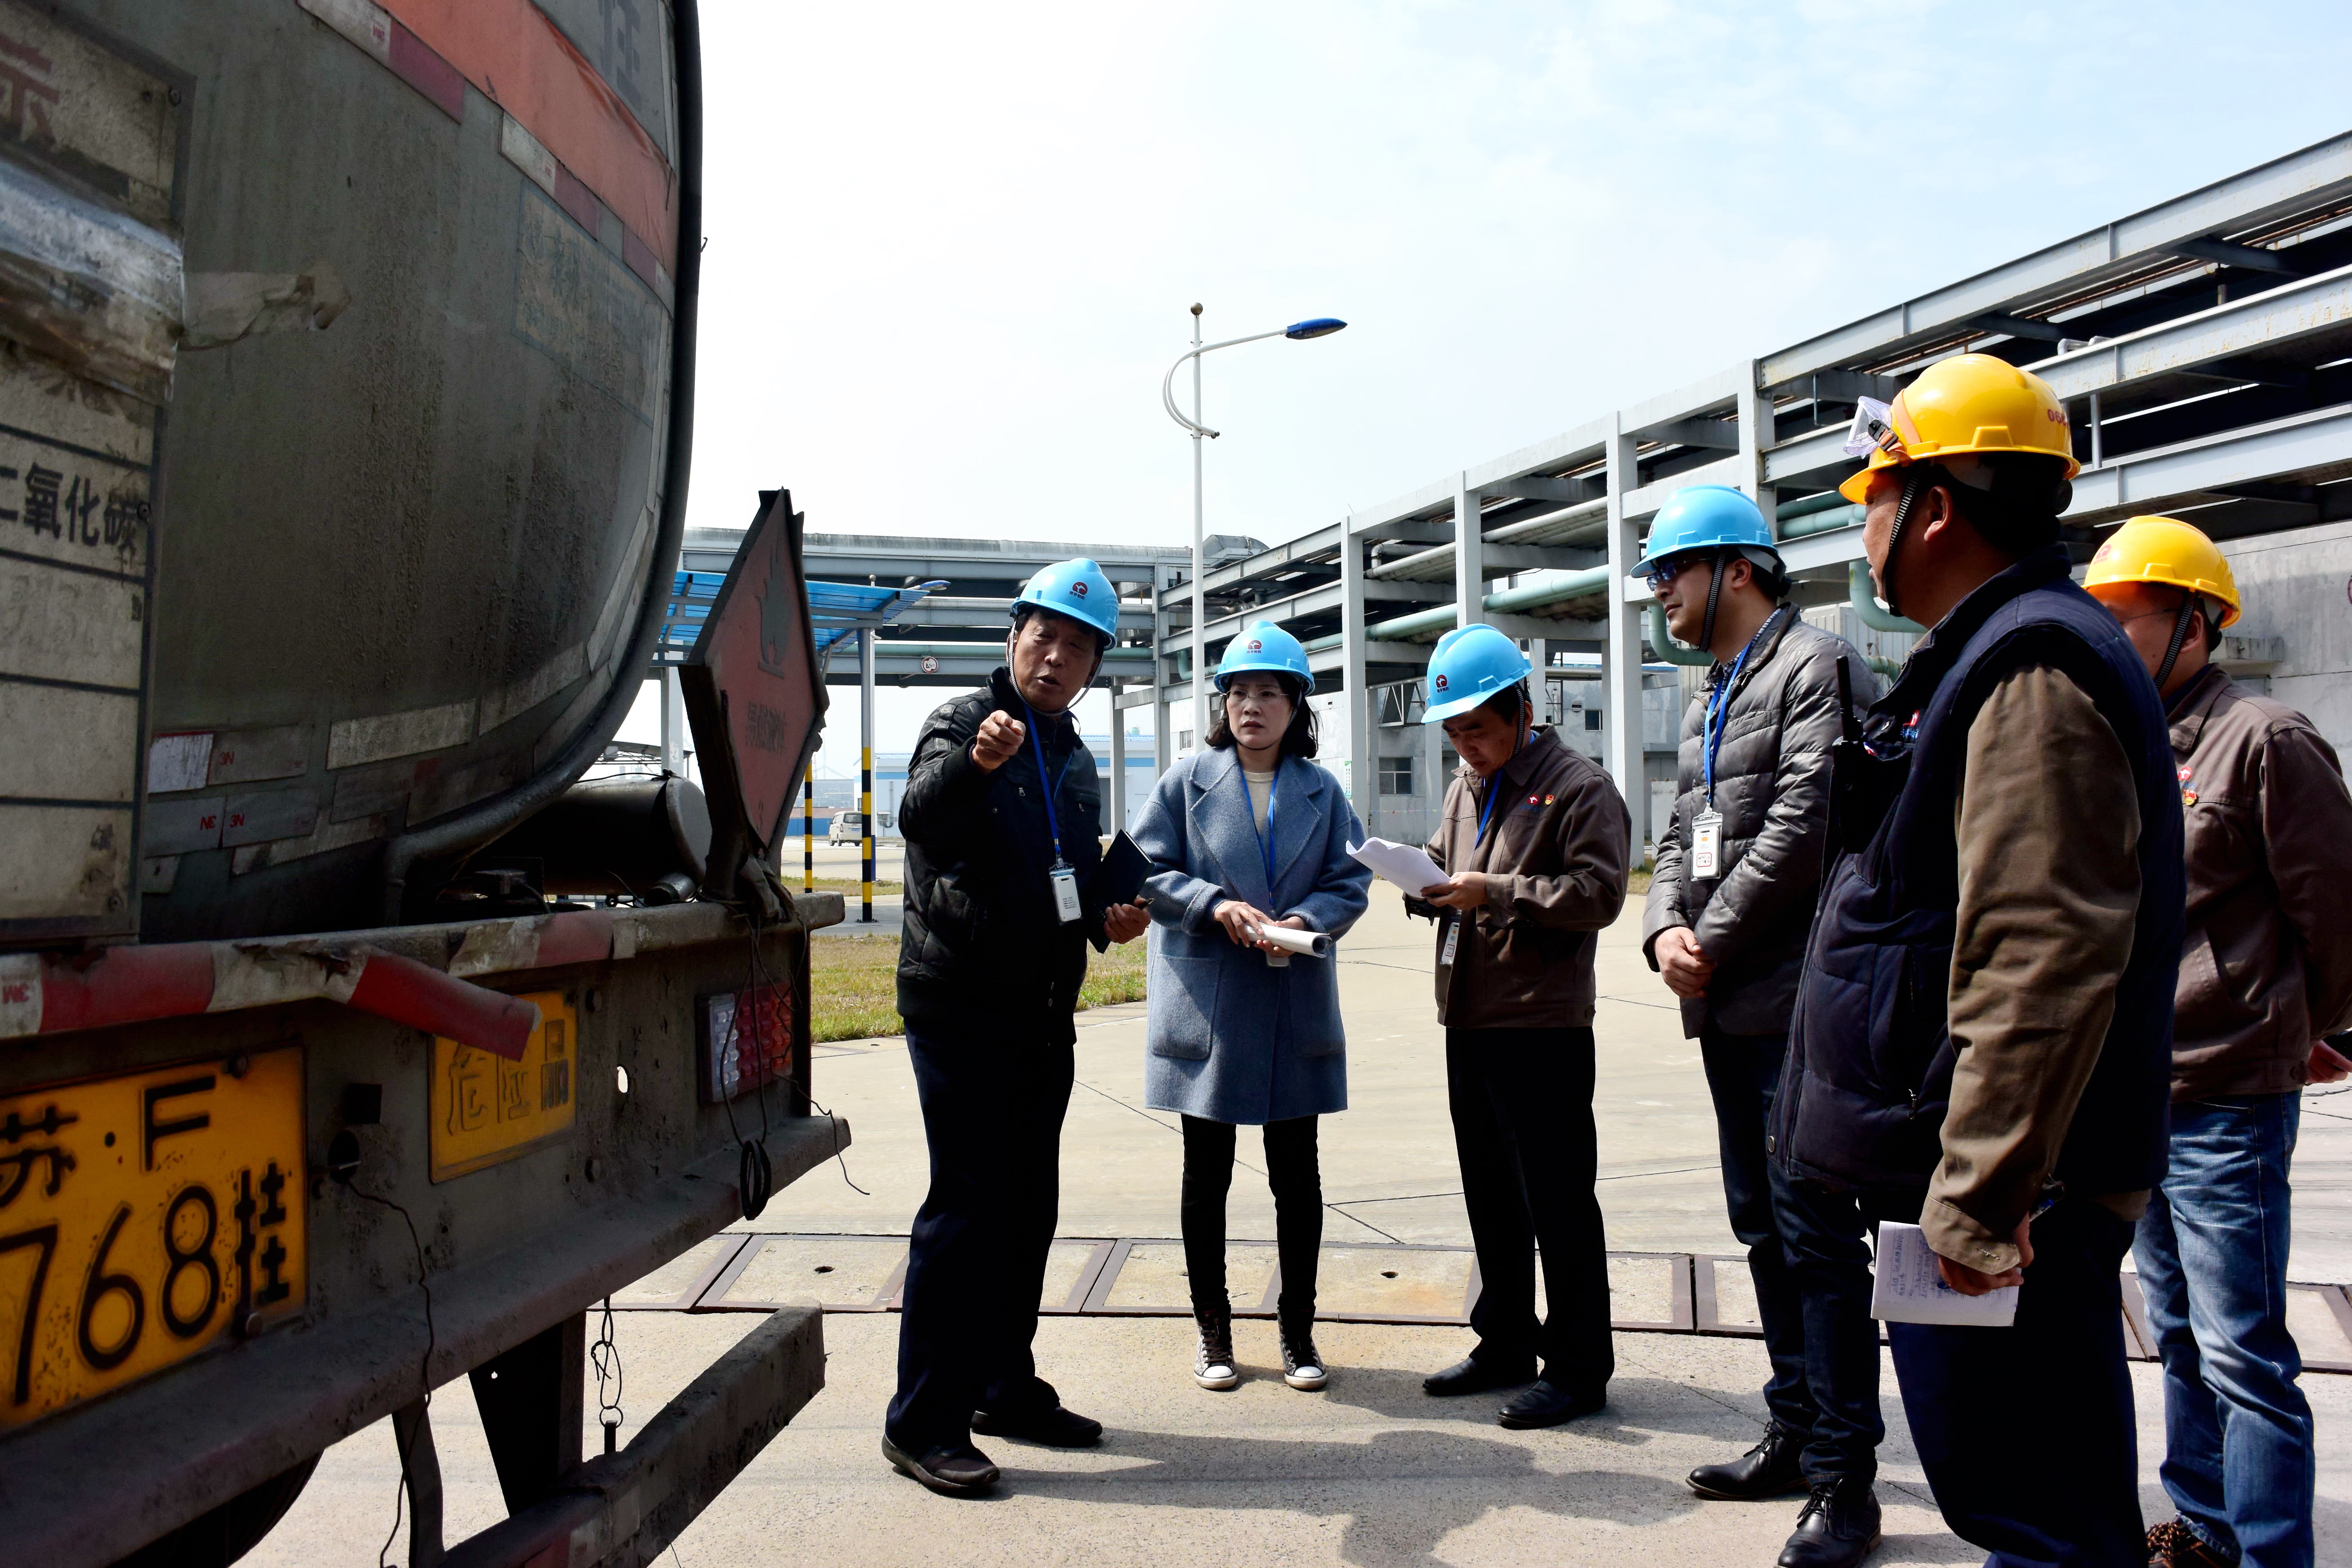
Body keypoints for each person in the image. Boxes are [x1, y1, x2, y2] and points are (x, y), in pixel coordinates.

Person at [1773, 354, 2184, 1565]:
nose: (1865, 528)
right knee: (2020, 1508)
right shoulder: (1992, 653)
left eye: (1875, 499)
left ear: (1937, 508)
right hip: (1991, 1176)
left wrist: (1978, 1198)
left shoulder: (2032, 669)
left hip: (2012, 1193)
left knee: (2042, 1518)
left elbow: (2040, 954)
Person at [2083, 515, 2352, 1568]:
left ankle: (2272, 1552)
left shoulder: (2265, 740)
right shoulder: (2125, 745)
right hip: (2139, 1093)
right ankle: (2205, 1528)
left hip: (2227, 1093)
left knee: (2243, 1351)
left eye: (2125, 617)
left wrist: (2293, 1029)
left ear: (2194, 624)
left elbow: (2336, 918)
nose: (2104, 638)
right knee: (2178, 1334)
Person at [1636, 486, 1884, 1568]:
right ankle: (1793, 1427)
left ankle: (1844, 1481)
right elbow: (1677, 831)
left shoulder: (1815, 666)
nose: (1660, 593)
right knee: (1762, 1227)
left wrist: (1710, 935)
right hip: (1729, 1004)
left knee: (1818, 1237)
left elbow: (1804, 822)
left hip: (1801, 1004)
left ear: (1736, 568)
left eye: (1670, 572)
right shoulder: (1713, 694)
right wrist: (1663, 929)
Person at [882, 557, 1153, 1497]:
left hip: (1042, 1010)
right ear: (1013, 638)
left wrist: (1113, 921)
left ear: (1094, 666)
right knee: (965, 1207)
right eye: (1044, 636)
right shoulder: (963, 723)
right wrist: (978, 763)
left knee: (1028, 1206)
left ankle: (1003, 1385)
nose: (1056, 656)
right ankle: (923, 1422)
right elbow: (919, 819)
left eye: (1078, 646)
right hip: (960, 1003)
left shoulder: (1076, 759)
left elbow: (1068, 879)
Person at [1132, 621, 1373, 1394]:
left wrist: (1305, 919)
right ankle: (1213, 1330)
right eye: (1238, 692)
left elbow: (1351, 880)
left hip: (1290, 997)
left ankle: (1298, 1331)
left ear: (1296, 706)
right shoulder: (1184, 782)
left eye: (1268, 693)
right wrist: (1212, 904)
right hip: (1211, 1004)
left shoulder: (1322, 791)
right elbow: (1143, 870)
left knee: (1296, 1178)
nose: (1251, 706)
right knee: (1206, 1178)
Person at [1408, 622, 1630, 1429]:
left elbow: (1599, 894)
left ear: (1522, 712)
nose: (1466, 747)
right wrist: (1423, 880)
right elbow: (1448, 859)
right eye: (1454, 733)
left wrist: (1495, 893)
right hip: (1470, 1017)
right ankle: (1504, 1340)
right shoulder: (1466, 787)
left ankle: (1578, 1367)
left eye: (1477, 729)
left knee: (1558, 1200)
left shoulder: (1579, 788)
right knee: (1491, 1192)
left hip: (1542, 1025)